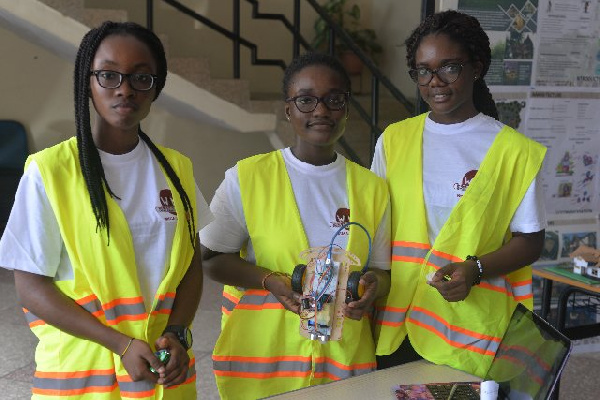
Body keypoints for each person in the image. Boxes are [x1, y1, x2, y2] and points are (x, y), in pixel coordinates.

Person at [0, 21, 212, 399]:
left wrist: (179, 333)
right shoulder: (50, 171)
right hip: (82, 380)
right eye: (108, 75)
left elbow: (191, 265)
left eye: (140, 78)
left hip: (163, 376)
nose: (125, 89)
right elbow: (31, 287)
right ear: (87, 81)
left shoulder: (176, 170)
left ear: (156, 87)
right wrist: (120, 344)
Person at [200, 52, 391, 399]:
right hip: (262, 366)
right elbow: (211, 258)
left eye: (334, 99)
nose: (320, 110)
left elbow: (381, 271)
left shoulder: (372, 189)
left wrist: (372, 286)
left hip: (343, 367)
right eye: (306, 100)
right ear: (288, 109)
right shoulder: (247, 177)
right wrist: (269, 281)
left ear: (346, 108)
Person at [372, 10, 547, 378]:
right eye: (423, 70)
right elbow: (378, 230)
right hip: (400, 320)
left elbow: (530, 241)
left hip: (472, 331)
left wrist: (476, 269)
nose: (435, 82)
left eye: (449, 67)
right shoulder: (394, 140)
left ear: (477, 67)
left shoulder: (514, 150)